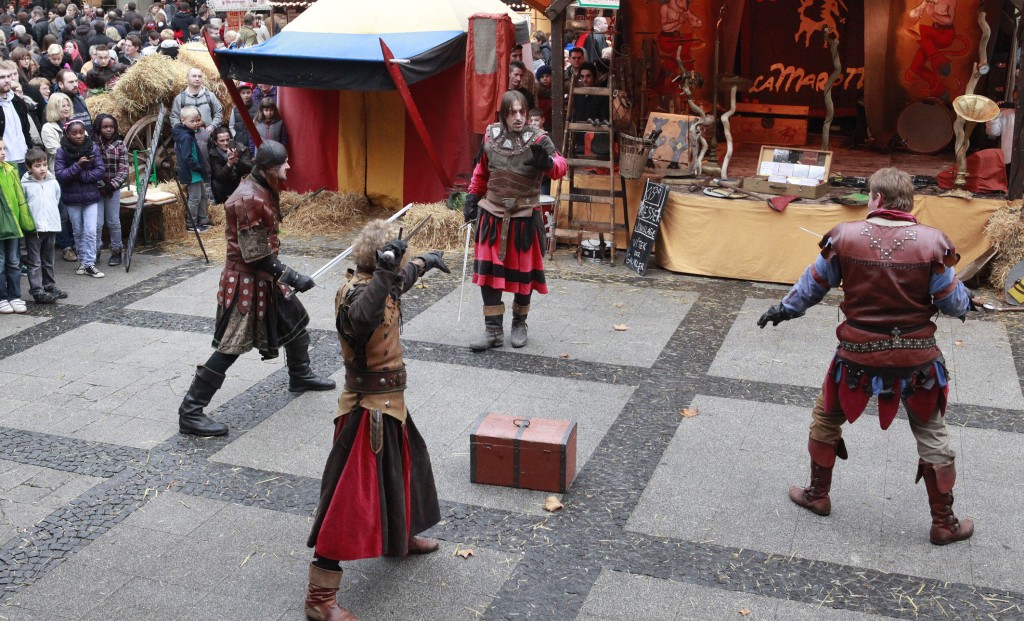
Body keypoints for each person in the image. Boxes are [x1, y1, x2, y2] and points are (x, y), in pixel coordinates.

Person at [757, 167, 976, 546]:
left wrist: (784, 309)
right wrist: (967, 299)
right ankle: (944, 523)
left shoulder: (844, 236)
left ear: (877, 198)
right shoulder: (933, 243)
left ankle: (817, 495)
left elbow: (813, 284)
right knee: (931, 433)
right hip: (916, 360)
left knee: (826, 418)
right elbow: (953, 304)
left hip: (857, 355)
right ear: (909, 202)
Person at [303, 220, 448, 621]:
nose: (398, 268)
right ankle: (319, 598)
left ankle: (399, 538)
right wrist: (388, 271)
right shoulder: (357, 293)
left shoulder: (380, 281)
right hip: (367, 410)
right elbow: (365, 316)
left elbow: (399, 281)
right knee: (350, 500)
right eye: (393, 261)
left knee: (404, 469)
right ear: (380, 261)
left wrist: (424, 261)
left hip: (390, 403)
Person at [176, 140, 336, 437]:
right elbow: (255, 255)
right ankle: (191, 412)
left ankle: (300, 375)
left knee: (295, 322)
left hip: (265, 277)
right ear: (271, 168)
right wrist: (293, 277)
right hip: (246, 282)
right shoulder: (248, 198)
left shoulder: (263, 184)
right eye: (284, 163)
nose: (288, 166)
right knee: (230, 347)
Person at [463, 91, 566, 350]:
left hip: (524, 217)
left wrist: (548, 162)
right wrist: (472, 198)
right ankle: (493, 331)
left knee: (524, 275)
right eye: (512, 113)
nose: (518, 117)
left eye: (522, 112)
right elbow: (481, 172)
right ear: (504, 115)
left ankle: (519, 325)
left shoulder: (539, 139)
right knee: (488, 275)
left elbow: (561, 167)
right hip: (491, 215)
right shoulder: (491, 136)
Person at [55, 118, 105, 278]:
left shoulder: (93, 147)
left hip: (91, 196)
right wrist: (77, 165)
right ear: (67, 134)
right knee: (78, 231)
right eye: (74, 133)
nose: (78, 136)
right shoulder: (62, 151)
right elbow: (60, 175)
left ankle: (90, 263)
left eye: (81, 132)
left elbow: (100, 171)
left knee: (90, 231)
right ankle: (83, 262)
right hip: (72, 198)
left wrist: (81, 175)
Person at [21, 147, 63, 304]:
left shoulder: (53, 182)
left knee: (48, 259)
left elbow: (56, 199)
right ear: (29, 167)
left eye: (44, 164)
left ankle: (50, 286)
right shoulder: (25, 185)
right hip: (34, 228)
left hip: (50, 225)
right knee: (34, 261)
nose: (42, 168)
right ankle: (36, 289)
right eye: (38, 166)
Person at [0, 137, 31, 314]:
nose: (3, 153)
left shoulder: (10, 170)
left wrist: (25, 221)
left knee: (13, 261)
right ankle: (2, 297)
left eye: (4, 149)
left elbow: (19, 198)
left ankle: (15, 296)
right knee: (1, 263)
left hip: (12, 224)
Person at [93, 113, 126, 266]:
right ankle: (95, 251)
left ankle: (116, 251)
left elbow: (124, 169)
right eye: (105, 127)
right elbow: (90, 166)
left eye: (111, 127)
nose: (108, 130)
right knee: (97, 223)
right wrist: (99, 184)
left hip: (113, 188)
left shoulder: (120, 144)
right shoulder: (92, 144)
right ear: (99, 128)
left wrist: (112, 185)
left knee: (113, 221)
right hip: (96, 188)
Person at [173, 106, 211, 231]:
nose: (196, 123)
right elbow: (187, 156)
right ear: (183, 121)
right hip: (192, 173)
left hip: (197, 173)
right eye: (192, 121)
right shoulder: (186, 137)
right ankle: (192, 224)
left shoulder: (189, 133)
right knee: (194, 199)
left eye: (198, 120)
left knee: (203, 196)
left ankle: (204, 220)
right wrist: (197, 166)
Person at [0, 60, 37, 177]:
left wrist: (30, 153)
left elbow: (26, 131)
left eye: (8, 76)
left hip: (23, 159)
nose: (7, 80)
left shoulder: (18, 101)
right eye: (2, 77)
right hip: (5, 162)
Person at [170, 67, 223, 134]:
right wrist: (181, 131)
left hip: (207, 135)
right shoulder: (180, 98)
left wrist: (212, 126)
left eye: (199, 76)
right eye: (194, 76)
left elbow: (218, 113)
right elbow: (174, 117)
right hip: (187, 136)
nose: (197, 79)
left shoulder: (210, 96)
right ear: (187, 78)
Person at [208, 126, 251, 203]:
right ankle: (223, 204)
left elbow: (249, 169)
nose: (226, 143)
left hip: (240, 180)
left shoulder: (242, 149)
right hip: (225, 183)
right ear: (215, 142)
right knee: (215, 184)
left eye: (228, 140)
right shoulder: (213, 154)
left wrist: (237, 161)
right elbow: (218, 176)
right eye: (222, 141)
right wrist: (229, 164)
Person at [229, 81, 256, 150]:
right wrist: (235, 135)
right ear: (239, 94)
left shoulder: (257, 108)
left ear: (252, 93)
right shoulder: (235, 109)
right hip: (239, 142)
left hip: (253, 141)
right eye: (243, 93)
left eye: (248, 93)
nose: (246, 95)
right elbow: (231, 126)